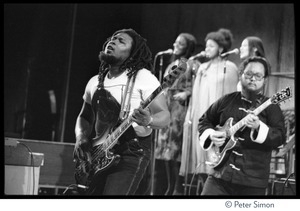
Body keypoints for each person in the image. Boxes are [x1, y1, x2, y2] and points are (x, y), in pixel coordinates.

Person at [73, 28, 170, 195]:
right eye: (112, 39)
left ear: (132, 53)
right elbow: (85, 116)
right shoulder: (94, 81)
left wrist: (149, 121)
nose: (112, 42)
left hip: (131, 152)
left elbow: (165, 116)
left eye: (121, 41)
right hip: (97, 154)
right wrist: (81, 137)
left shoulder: (143, 77)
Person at [198, 56, 286, 195]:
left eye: (258, 76)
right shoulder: (227, 100)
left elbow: (280, 137)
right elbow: (204, 121)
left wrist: (259, 127)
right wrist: (211, 134)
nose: (253, 79)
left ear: (265, 80)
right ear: (240, 75)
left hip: (252, 181)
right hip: (219, 174)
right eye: (249, 74)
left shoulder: (272, 107)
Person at [180, 28, 239, 194]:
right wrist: (191, 118)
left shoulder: (230, 67)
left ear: (220, 48)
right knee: (201, 164)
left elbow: (232, 97)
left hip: (219, 123)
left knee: (216, 164)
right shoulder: (202, 67)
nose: (206, 49)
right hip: (202, 121)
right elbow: (196, 97)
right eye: (206, 46)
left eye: (211, 46)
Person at [154, 33, 199, 195]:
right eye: (176, 42)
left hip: (181, 110)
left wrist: (187, 93)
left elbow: (198, 86)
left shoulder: (194, 64)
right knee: (165, 150)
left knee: (176, 148)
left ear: (187, 47)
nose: (175, 44)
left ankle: (177, 188)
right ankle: (169, 186)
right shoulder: (171, 64)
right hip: (167, 108)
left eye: (180, 43)